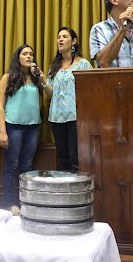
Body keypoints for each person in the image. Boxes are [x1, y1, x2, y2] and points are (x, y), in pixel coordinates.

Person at [34, 27, 92, 172]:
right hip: (56, 117)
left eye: (64, 37)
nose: (60, 39)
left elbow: (91, 91)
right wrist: (42, 79)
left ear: (74, 41)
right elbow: (51, 93)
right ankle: (64, 189)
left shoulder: (83, 64)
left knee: (76, 157)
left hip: (75, 117)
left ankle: (76, 191)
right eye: (58, 37)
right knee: (62, 157)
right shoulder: (55, 66)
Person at [0, 44, 42, 215]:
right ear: (18, 58)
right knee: (11, 165)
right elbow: (0, 106)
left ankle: (27, 202)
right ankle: (10, 202)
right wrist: (2, 131)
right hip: (13, 126)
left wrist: (42, 78)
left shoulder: (37, 78)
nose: (29, 56)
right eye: (25, 54)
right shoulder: (8, 77)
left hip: (33, 127)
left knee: (27, 166)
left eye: (31, 54)